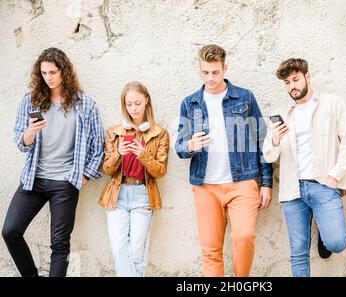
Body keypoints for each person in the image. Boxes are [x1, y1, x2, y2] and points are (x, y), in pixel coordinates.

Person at [2, 47, 105, 277]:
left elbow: (98, 146)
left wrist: (84, 175)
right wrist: (30, 132)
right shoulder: (31, 101)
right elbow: (21, 142)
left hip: (65, 182)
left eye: (52, 72)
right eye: (44, 73)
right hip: (34, 179)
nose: (48, 77)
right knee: (10, 231)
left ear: (64, 71)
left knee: (60, 245)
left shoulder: (85, 105)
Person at [175, 44, 273, 277]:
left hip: (243, 182)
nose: (210, 78)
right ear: (199, 70)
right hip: (206, 186)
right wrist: (190, 145)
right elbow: (179, 147)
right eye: (205, 72)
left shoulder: (245, 97)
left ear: (225, 68)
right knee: (210, 249)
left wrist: (267, 182)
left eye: (216, 72)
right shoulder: (190, 103)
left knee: (244, 236)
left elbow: (262, 139)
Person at [263, 58, 346, 277]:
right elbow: (269, 155)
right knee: (298, 251)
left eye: (295, 79)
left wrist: (336, 175)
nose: (292, 86)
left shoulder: (333, 104)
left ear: (307, 77)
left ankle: (323, 233)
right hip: (292, 189)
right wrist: (275, 139)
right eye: (287, 83)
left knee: (336, 242)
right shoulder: (282, 113)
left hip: (324, 185)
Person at [99, 81, 169, 277]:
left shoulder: (159, 133)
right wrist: (118, 154)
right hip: (117, 195)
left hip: (142, 196)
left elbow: (160, 171)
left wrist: (143, 154)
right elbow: (106, 168)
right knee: (120, 251)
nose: (133, 109)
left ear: (146, 100)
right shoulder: (114, 133)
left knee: (137, 254)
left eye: (137, 103)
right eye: (129, 104)